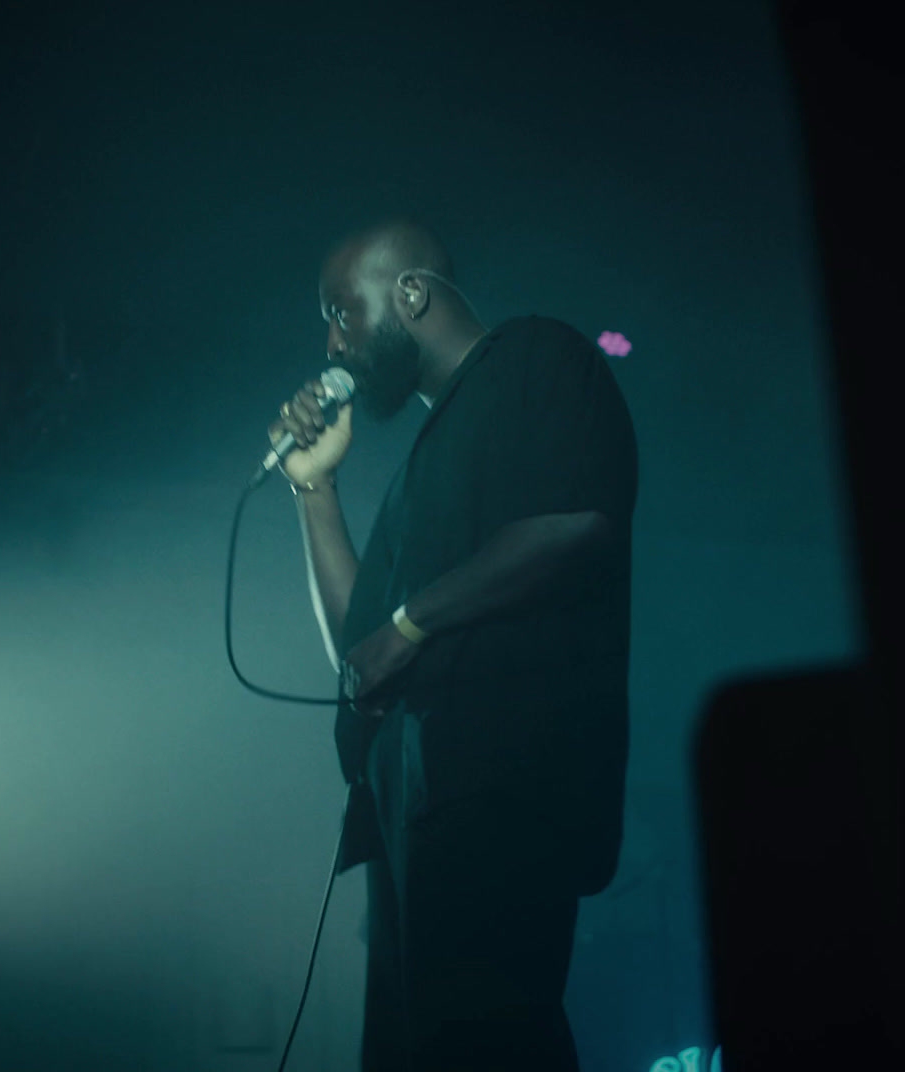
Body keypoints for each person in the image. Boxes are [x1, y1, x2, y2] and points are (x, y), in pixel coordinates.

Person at [267, 219, 637, 1071]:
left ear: (411, 295)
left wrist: (410, 624)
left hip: (499, 802)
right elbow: (362, 660)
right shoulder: (413, 478)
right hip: (410, 829)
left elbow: (576, 525)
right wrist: (315, 489)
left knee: (493, 1046)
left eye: (341, 312)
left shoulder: (538, 356)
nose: (330, 341)